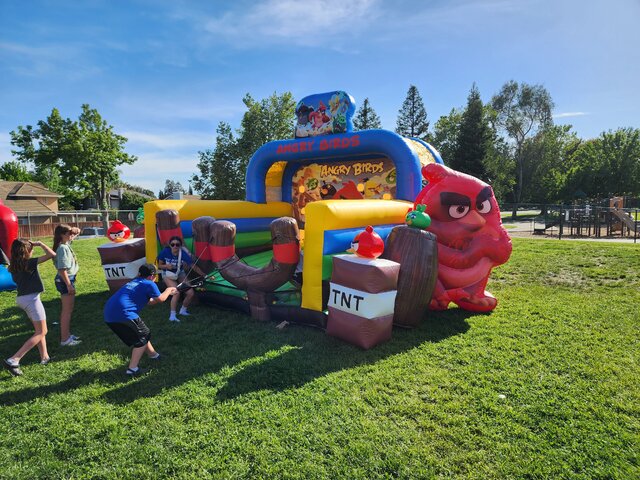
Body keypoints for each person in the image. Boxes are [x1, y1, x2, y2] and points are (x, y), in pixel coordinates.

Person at [103, 263, 177, 376]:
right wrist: (169, 290)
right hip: (123, 314)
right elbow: (161, 299)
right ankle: (132, 369)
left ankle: (153, 355)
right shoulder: (149, 283)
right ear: (152, 276)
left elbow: (151, 301)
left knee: (141, 333)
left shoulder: (134, 282)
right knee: (143, 336)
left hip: (109, 314)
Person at [3, 239, 56, 376]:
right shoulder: (29, 263)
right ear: (26, 251)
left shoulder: (12, 266)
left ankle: (45, 357)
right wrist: (41, 244)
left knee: (39, 330)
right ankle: (14, 359)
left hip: (23, 299)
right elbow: (52, 254)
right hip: (31, 299)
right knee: (41, 332)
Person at [157, 235, 204, 322]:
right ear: (170, 245)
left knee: (190, 293)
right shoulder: (165, 252)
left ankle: (183, 310)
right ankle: (172, 315)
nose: (175, 246)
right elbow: (159, 265)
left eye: (177, 245)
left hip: (179, 273)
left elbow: (193, 266)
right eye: (172, 244)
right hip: (167, 274)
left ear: (180, 246)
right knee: (176, 292)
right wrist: (166, 266)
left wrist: (204, 275)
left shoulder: (183, 254)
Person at [53, 224, 81, 346]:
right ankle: (65, 339)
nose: (72, 236)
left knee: (68, 310)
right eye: (69, 234)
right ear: (62, 235)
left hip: (68, 279)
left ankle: (67, 335)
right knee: (67, 311)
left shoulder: (65, 245)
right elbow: (62, 269)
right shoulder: (63, 248)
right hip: (66, 280)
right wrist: (69, 285)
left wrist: (73, 230)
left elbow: (77, 231)